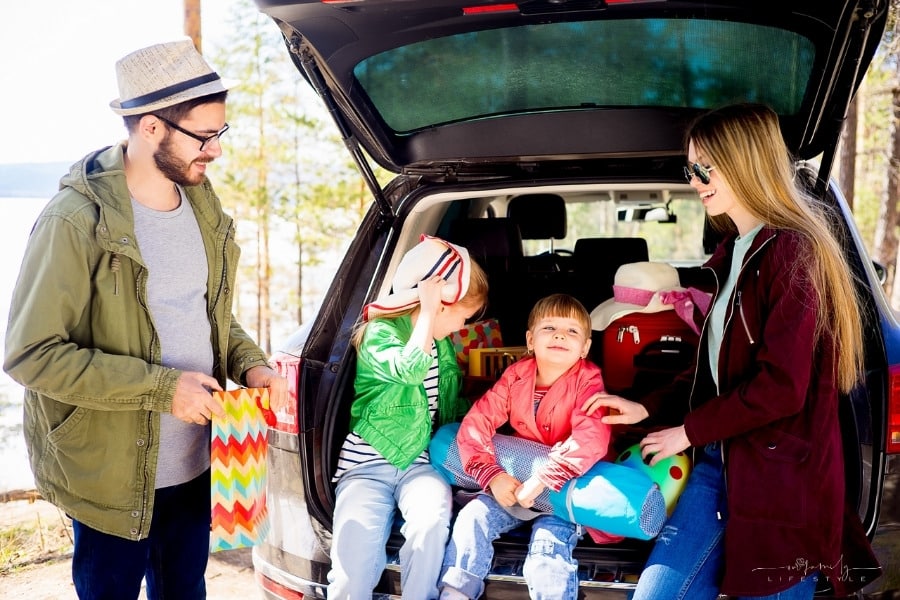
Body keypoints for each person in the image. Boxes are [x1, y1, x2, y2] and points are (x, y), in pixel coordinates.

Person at [3, 39, 289, 600]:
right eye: (204, 137)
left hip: (199, 465)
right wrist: (163, 390)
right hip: (110, 480)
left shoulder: (203, 204)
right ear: (152, 127)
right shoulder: (74, 220)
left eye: (219, 134)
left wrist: (251, 366)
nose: (217, 152)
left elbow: (211, 316)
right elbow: (30, 355)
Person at [584, 103, 881, 599]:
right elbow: (715, 370)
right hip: (717, 465)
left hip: (779, 483)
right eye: (691, 168)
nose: (696, 180)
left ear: (746, 162)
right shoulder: (731, 254)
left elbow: (781, 389)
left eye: (707, 167)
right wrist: (650, 408)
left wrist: (687, 432)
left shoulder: (793, 251)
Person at [327, 235, 489, 599]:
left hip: (421, 464)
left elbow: (447, 407)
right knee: (351, 574)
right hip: (365, 468)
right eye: (463, 316)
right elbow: (409, 370)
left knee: (430, 525)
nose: (463, 327)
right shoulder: (379, 334)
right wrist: (427, 312)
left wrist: (494, 413)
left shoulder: (443, 344)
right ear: (441, 303)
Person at [439, 293, 612, 600]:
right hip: (515, 482)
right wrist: (491, 474)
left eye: (572, 331)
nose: (560, 335)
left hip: (563, 490)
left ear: (585, 347)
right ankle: (456, 593)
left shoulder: (589, 380)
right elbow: (478, 421)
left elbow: (591, 437)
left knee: (548, 544)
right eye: (549, 328)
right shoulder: (516, 374)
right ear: (530, 340)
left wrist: (545, 478)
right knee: (471, 518)